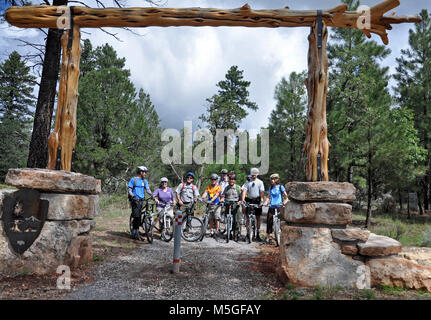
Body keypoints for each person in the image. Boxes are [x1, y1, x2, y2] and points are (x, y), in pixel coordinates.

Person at [128, 166, 153, 239]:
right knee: (136, 216)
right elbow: (129, 188)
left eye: (145, 172)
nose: (145, 173)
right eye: (144, 172)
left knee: (139, 216)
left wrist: (152, 195)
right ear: (140, 172)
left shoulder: (144, 181)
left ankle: (136, 230)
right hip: (135, 200)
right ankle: (135, 231)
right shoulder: (134, 180)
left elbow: (148, 190)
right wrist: (131, 194)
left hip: (141, 200)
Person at [263, 173, 288, 244]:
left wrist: (285, 202)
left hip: (279, 206)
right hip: (271, 206)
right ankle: (268, 237)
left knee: (282, 220)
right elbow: (268, 197)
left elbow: (286, 196)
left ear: (277, 179)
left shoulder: (281, 187)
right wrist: (265, 203)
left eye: (273, 179)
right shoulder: (270, 188)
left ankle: (283, 235)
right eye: (271, 179)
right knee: (269, 220)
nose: (272, 180)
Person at [242, 167, 265, 242]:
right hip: (249, 199)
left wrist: (261, 200)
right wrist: (243, 200)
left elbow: (262, 192)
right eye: (252, 174)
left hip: (257, 200)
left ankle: (257, 233)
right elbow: (244, 191)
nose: (253, 176)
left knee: (258, 217)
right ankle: (247, 234)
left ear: (257, 174)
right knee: (248, 217)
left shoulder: (260, 182)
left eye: (255, 174)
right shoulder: (248, 182)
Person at [220, 173, 243, 242]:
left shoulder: (238, 187)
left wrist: (240, 201)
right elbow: (223, 196)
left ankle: (235, 234)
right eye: (230, 179)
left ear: (235, 180)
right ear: (228, 180)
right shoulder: (226, 188)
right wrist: (222, 200)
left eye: (233, 179)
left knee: (237, 220)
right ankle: (228, 233)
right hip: (228, 204)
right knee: (227, 219)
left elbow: (242, 197)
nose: (231, 180)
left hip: (236, 205)